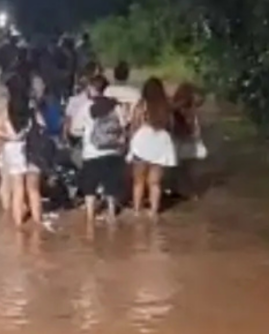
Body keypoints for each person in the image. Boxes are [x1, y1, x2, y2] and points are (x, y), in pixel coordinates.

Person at [0, 76, 44, 228]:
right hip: (30, 148)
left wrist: (10, 136)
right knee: (33, 188)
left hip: (12, 148)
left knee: (17, 188)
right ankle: (37, 223)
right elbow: (42, 126)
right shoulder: (32, 110)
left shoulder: (7, 111)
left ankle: (18, 224)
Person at [79, 75, 128, 226]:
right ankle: (111, 214)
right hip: (113, 151)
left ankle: (90, 217)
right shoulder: (116, 105)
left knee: (90, 187)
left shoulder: (86, 106)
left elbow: (75, 128)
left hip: (91, 151)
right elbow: (124, 125)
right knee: (111, 185)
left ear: (91, 89)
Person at [128, 77, 178, 218]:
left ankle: (137, 210)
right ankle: (153, 212)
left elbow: (134, 125)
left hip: (142, 141)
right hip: (161, 141)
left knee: (138, 181)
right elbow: (171, 126)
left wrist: (130, 141)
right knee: (155, 183)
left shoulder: (141, 105)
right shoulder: (166, 107)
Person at [171, 82, 207, 198]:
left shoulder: (178, 107)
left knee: (180, 167)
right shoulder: (187, 108)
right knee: (190, 168)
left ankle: (179, 189)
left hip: (180, 139)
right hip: (187, 139)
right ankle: (191, 191)